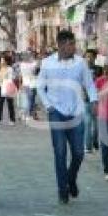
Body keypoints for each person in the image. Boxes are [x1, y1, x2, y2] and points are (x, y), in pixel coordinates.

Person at [37, 30, 98, 204]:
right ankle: (62, 189)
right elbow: (40, 87)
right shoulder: (47, 63)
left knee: (78, 153)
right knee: (60, 152)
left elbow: (89, 84)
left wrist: (94, 101)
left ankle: (71, 178)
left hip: (76, 112)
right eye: (71, 44)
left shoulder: (81, 63)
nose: (74, 47)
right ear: (61, 45)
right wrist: (48, 106)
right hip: (56, 112)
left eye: (74, 43)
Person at [0, 54, 18, 125]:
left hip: (7, 86)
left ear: (6, 61)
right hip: (1, 87)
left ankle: (12, 120)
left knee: (10, 104)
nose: (1, 61)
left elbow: (11, 78)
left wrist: (9, 86)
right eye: (1, 60)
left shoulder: (9, 69)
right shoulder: (2, 68)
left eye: (2, 60)